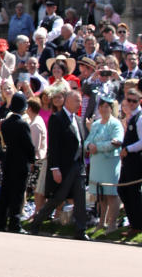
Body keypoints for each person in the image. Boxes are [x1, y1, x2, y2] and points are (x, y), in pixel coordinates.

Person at [26, 83, 88, 239]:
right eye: (77, 101)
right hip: (64, 166)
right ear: (67, 101)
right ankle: (37, 222)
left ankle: (81, 230)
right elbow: (54, 145)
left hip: (78, 166)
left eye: (80, 101)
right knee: (58, 198)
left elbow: (81, 141)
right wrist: (55, 168)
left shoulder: (79, 120)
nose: (79, 104)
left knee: (80, 198)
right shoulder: (57, 119)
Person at [0, 92, 36, 232]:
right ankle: (14, 223)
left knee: (5, 193)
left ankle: (0, 222)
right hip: (20, 162)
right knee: (18, 194)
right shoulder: (22, 124)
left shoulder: (5, 123)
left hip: (8, 161)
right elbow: (29, 145)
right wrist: (32, 159)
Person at [85, 94, 124, 234]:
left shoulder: (115, 123)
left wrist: (98, 147)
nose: (103, 109)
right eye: (101, 106)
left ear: (111, 108)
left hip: (109, 162)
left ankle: (112, 223)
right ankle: (101, 222)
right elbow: (87, 141)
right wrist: (89, 146)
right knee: (100, 195)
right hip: (97, 162)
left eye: (106, 106)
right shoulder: (95, 124)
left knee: (111, 193)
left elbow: (117, 141)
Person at [118, 84, 142, 238]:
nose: (132, 103)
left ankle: (137, 225)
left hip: (136, 160)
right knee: (124, 190)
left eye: (134, 101)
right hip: (129, 160)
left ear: (140, 101)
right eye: (129, 100)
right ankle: (134, 223)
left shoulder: (140, 119)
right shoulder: (132, 117)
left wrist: (128, 149)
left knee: (132, 192)